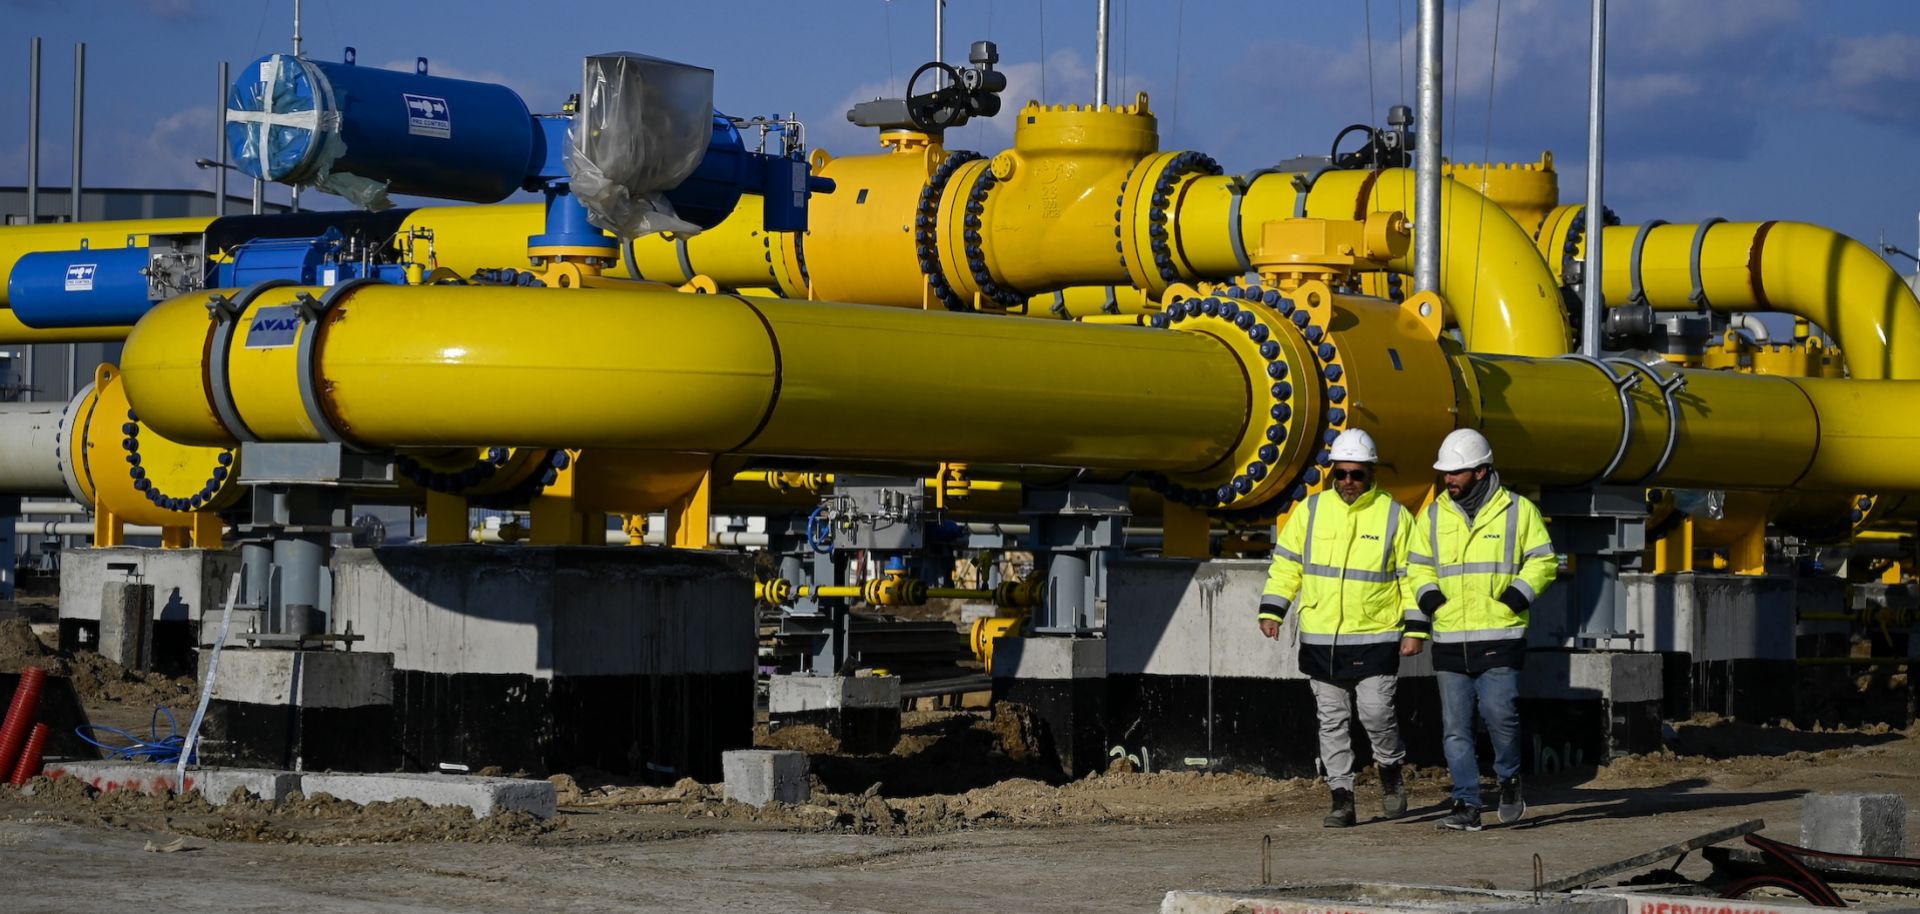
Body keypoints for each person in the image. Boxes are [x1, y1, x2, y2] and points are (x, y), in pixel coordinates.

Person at [1259, 428, 1426, 828]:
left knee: (1375, 714)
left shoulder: (1394, 516)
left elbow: (1414, 576)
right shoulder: (1312, 511)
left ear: (1371, 473)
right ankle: (1341, 797)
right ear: (1333, 472)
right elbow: (1287, 565)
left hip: (1376, 636)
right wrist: (1273, 609)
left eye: (1357, 474)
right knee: (1331, 721)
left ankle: (1389, 769)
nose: (1349, 482)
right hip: (1321, 638)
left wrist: (1415, 629)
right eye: (1342, 473)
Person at [1405, 429, 1557, 832]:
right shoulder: (1435, 514)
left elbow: (1543, 561)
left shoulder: (1518, 510)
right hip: (1450, 635)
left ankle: (1508, 779)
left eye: (1456, 472)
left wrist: (1515, 598)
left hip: (1500, 634)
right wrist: (1430, 600)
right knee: (1455, 728)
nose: (1449, 479)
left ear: (1481, 471)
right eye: (1446, 473)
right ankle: (1466, 803)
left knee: (1499, 715)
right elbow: (1416, 565)